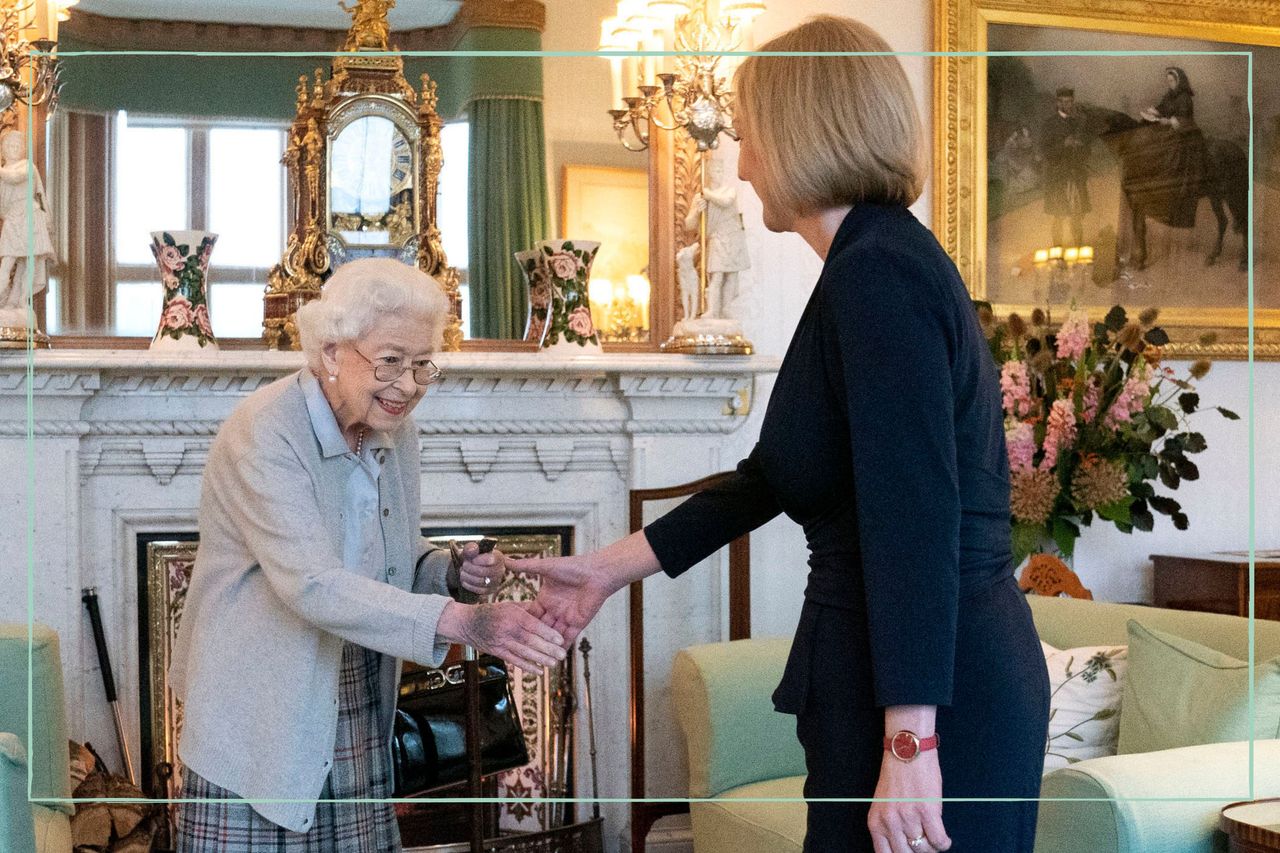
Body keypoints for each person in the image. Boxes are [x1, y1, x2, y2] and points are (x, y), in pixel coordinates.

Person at [519, 15, 1049, 853]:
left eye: (750, 126)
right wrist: (603, 570)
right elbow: (774, 475)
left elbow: (915, 519)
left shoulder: (878, 274)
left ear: (805, 130)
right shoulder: (866, 265)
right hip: (884, 680)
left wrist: (910, 742)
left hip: (929, 695)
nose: (742, 150)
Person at [169, 258, 565, 851]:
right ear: (331, 351)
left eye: (422, 365)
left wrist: (451, 570)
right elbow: (311, 582)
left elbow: (390, 557)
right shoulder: (263, 431)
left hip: (356, 694)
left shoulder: (394, 432)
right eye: (389, 361)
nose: (406, 385)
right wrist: (463, 621)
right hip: (260, 709)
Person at [1138, 66, 1207, 228]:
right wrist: (1152, 113)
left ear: (1178, 81)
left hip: (1186, 134)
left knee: (1172, 155)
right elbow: (1162, 107)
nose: (1169, 84)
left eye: (1171, 81)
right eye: (1167, 81)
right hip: (1170, 130)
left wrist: (1168, 121)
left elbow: (1184, 118)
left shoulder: (1185, 98)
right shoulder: (1169, 95)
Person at [683, 154, 750, 319]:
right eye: (716, 170)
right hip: (717, 239)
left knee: (732, 277)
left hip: (733, 238)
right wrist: (698, 211)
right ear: (710, 173)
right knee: (717, 275)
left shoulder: (728, 191)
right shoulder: (700, 197)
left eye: (721, 170)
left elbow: (726, 202)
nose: (719, 173)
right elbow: (689, 224)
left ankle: (726, 308)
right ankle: (713, 310)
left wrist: (708, 194)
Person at [0, 129, 55, 318]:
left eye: (17, 146)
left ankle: (20, 300)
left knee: (29, 263)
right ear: (3, 150)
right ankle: (4, 300)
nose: (14, 149)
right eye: (9, 146)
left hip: (30, 217)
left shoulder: (27, 166)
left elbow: (14, 177)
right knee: (7, 261)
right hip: (13, 219)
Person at [1039, 87, 1091, 247]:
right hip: (1057, 177)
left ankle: (1079, 249)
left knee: (1077, 216)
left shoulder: (1078, 123)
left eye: (1070, 101)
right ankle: (1057, 253)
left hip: (1076, 176)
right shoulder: (1049, 124)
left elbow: (1088, 150)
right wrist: (1064, 144)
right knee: (1059, 216)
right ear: (1057, 103)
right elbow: (1045, 151)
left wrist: (1081, 146)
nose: (1067, 105)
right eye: (1064, 102)